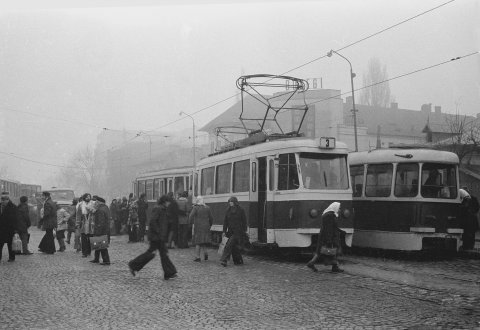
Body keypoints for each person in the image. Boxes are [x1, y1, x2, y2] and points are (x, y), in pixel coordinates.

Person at [128, 195, 177, 280]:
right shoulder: (159, 209)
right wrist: (159, 232)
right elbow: (153, 221)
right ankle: (133, 265)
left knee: (161, 254)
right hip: (156, 236)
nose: (169, 203)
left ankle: (169, 272)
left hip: (158, 236)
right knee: (153, 253)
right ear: (165, 202)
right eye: (168, 202)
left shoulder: (162, 209)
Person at [306, 202, 344, 273]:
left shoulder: (330, 214)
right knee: (330, 250)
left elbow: (333, 226)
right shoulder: (330, 215)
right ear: (335, 207)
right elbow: (329, 228)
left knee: (321, 251)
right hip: (329, 236)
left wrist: (341, 231)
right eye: (339, 208)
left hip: (327, 236)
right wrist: (329, 240)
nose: (340, 210)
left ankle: (312, 263)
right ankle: (334, 267)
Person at [220, 196, 248, 267]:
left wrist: (244, 231)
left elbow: (244, 221)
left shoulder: (241, 210)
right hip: (230, 231)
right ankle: (238, 261)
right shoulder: (228, 210)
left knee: (228, 245)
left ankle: (224, 260)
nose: (230, 203)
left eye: (231, 202)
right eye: (229, 202)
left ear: (235, 202)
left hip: (238, 231)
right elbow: (225, 221)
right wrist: (224, 231)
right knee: (234, 246)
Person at [189, 196, 213, 262]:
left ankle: (197, 257)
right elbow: (211, 218)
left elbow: (191, 216)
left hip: (198, 226)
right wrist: (210, 224)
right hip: (206, 226)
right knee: (203, 241)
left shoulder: (195, 208)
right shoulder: (207, 208)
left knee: (198, 242)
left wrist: (190, 223)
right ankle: (205, 253)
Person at [90, 197, 111, 265]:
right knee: (98, 245)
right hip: (105, 229)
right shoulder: (106, 207)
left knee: (102, 246)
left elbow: (100, 222)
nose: (95, 203)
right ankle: (96, 258)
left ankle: (106, 260)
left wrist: (98, 232)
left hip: (101, 230)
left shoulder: (100, 210)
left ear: (99, 202)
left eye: (96, 202)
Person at [0, 192, 18, 262]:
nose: (2, 201)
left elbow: (16, 219)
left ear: (8, 200)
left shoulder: (13, 207)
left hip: (10, 228)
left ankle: (11, 257)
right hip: (1, 229)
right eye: (2, 199)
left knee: (10, 244)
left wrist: (16, 229)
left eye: (4, 200)